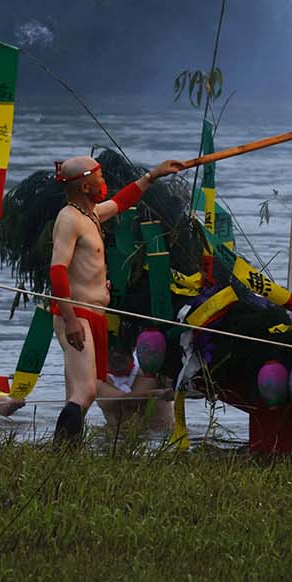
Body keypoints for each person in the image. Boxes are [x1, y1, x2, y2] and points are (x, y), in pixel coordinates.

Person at [48, 154, 184, 444]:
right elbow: (57, 270)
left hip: (93, 314)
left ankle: (65, 456)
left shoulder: (91, 214)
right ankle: (59, 452)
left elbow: (122, 201)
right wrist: (70, 319)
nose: (104, 183)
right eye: (99, 177)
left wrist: (153, 176)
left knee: (76, 392)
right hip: (78, 315)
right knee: (86, 391)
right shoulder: (69, 218)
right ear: (85, 187)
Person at [95, 332, 173, 429]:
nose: (115, 355)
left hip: (157, 437)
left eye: (121, 349)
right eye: (110, 349)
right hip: (116, 437)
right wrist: (157, 393)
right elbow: (123, 401)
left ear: (133, 348)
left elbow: (135, 400)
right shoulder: (98, 379)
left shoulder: (150, 369)